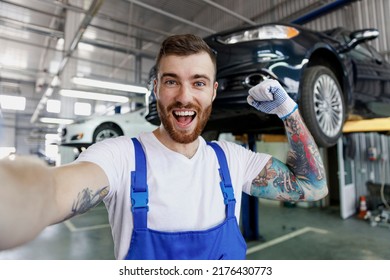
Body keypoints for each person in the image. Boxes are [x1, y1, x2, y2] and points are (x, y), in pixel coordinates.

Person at [0, 34, 328, 260]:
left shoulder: (231, 161)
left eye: (198, 83)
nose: (185, 97)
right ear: (156, 88)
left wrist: (289, 111)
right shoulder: (119, 157)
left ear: (213, 92)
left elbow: (312, 186)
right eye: (171, 81)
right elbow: (52, 191)